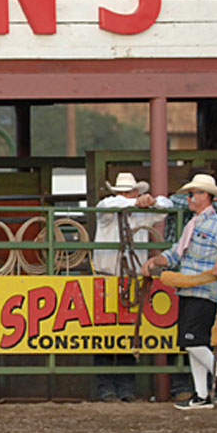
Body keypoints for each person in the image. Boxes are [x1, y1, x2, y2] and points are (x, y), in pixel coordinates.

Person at [142, 173, 217, 410]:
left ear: (205, 196)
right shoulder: (194, 223)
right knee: (193, 341)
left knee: (192, 338)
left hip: (204, 289)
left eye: (193, 193)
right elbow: (177, 252)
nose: (189, 197)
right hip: (190, 288)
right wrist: (158, 260)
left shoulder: (215, 224)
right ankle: (201, 394)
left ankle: (210, 383)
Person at [92, 172, 171, 403]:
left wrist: (153, 202)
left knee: (129, 334)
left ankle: (123, 388)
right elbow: (107, 204)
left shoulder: (140, 213)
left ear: (136, 192)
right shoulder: (108, 208)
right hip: (107, 278)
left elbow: (165, 205)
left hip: (129, 280)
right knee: (104, 336)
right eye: (121, 193)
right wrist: (138, 201)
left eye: (128, 192)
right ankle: (107, 389)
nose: (123, 196)